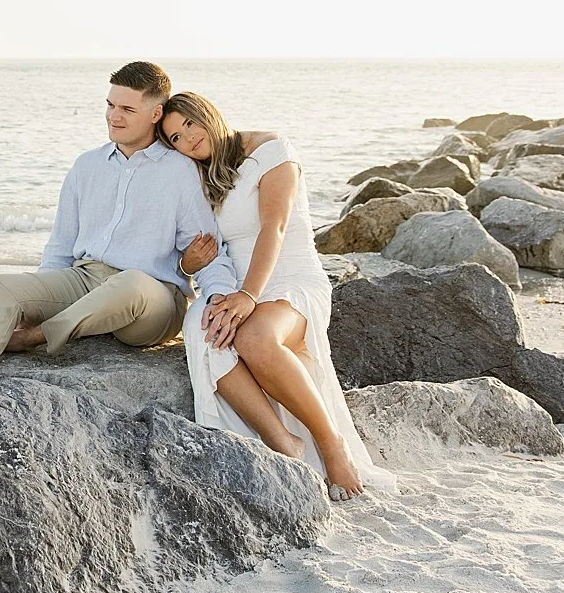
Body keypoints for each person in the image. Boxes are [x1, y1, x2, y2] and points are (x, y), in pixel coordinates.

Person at [0, 62, 239, 392]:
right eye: (110, 105)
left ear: (155, 114)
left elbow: (209, 252)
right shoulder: (87, 165)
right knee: (1, 287)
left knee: (131, 283)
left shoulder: (180, 172)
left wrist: (220, 299)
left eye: (127, 109)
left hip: (152, 299)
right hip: (85, 279)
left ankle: (38, 337)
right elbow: (60, 245)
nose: (114, 117)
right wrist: (38, 298)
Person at [158, 91, 394, 499]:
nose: (188, 140)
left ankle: (331, 445)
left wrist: (250, 295)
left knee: (254, 338)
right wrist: (189, 267)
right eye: (175, 138)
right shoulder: (202, 174)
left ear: (208, 114)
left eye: (190, 125)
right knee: (204, 327)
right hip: (240, 288)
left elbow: (275, 229)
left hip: (293, 281)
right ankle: (283, 441)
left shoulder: (271, 150)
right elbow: (198, 249)